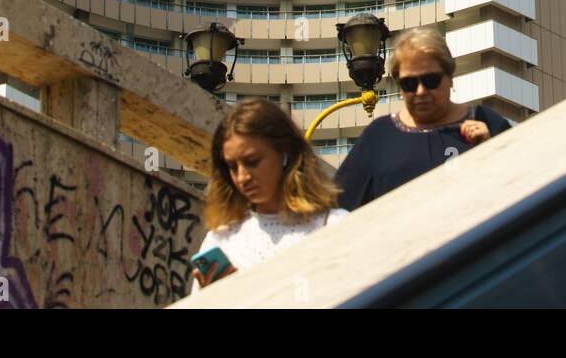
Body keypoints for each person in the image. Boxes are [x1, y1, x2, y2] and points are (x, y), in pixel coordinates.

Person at [335, 27, 512, 210]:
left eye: (431, 81)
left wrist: (492, 152)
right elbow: (336, 210)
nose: (421, 92)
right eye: (409, 84)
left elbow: (521, 188)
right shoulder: (379, 136)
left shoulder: (488, 123)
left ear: (450, 76)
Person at [191, 98, 346, 293]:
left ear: (285, 153)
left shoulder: (334, 226)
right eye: (232, 166)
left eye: (252, 161)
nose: (242, 177)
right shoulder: (220, 240)